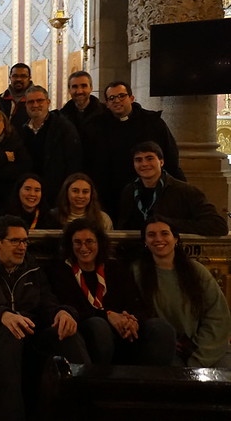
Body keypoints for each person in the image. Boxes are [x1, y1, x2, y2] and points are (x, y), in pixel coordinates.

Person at [0, 215, 90, 421]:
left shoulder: (32, 269)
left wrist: (62, 312)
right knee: (9, 331)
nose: (22, 246)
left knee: (68, 331)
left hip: (31, 340)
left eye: (25, 241)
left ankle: (88, 407)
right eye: (15, 241)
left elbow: (47, 303)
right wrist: (1, 314)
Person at [46, 218, 175, 365]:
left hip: (124, 332)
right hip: (88, 331)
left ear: (99, 243)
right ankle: (101, 384)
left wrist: (133, 321)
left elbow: (137, 304)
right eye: (77, 242)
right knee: (98, 325)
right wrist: (107, 315)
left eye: (89, 241)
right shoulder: (60, 270)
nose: (83, 247)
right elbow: (73, 309)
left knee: (161, 328)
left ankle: (154, 384)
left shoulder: (115, 268)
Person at [133, 217, 231, 368]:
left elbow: (217, 316)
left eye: (165, 233)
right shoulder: (136, 272)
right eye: (151, 235)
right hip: (163, 349)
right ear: (145, 241)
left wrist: (199, 356)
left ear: (175, 239)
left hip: (201, 346)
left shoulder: (196, 271)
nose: (158, 239)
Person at [82, 80, 184, 217]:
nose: (117, 100)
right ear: (107, 104)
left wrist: (181, 188)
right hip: (110, 193)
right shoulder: (96, 126)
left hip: (148, 189)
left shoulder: (152, 122)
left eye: (121, 96)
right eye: (111, 98)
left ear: (131, 98)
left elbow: (170, 156)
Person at [117, 141, 228, 236]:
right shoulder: (129, 191)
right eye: (138, 160)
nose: (144, 164)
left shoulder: (185, 191)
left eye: (149, 158)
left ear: (161, 161)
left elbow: (218, 226)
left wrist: (167, 224)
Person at [20, 86, 81, 203]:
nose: (35, 105)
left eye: (39, 100)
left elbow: (74, 161)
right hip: (31, 192)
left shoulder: (63, 127)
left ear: (48, 102)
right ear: (26, 105)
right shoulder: (23, 130)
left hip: (56, 191)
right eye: (31, 102)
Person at [59, 71, 105, 136]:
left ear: (91, 88)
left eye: (84, 86)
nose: (79, 91)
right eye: (75, 87)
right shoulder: (62, 117)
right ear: (69, 90)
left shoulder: (105, 113)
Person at [0, 63, 33, 129]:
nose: (18, 79)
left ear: (29, 78)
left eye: (23, 76)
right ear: (10, 77)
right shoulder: (0, 99)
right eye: (15, 76)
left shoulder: (37, 100)